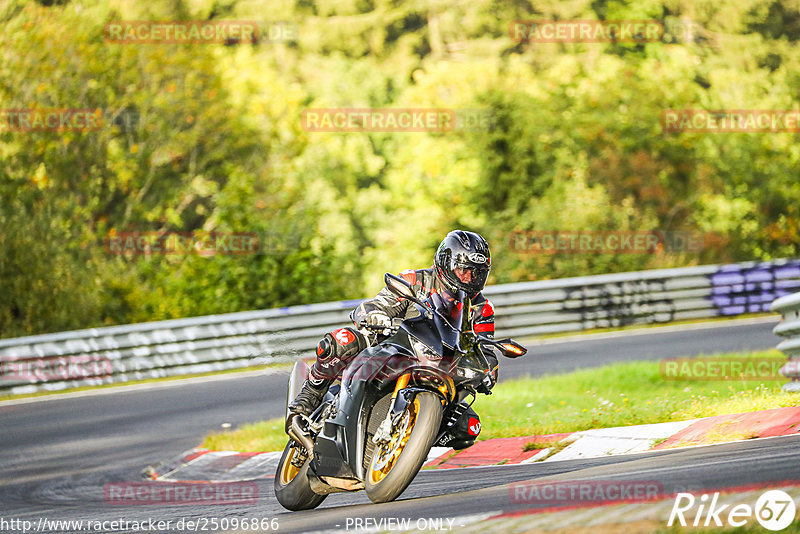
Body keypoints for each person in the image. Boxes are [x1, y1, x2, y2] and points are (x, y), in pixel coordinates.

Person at [287, 230, 498, 448]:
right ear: (445, 261)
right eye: (463, 270)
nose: (468, 278)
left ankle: (410, 443)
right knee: (342, 340)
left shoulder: (482, 309)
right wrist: (376, 315)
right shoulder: (415, 280)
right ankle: (306, 400)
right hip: (395, 348)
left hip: (442, 367)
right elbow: (374, 305)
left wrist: (488, 370)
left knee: (468, 427)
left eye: (476, 273)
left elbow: (486, 352)